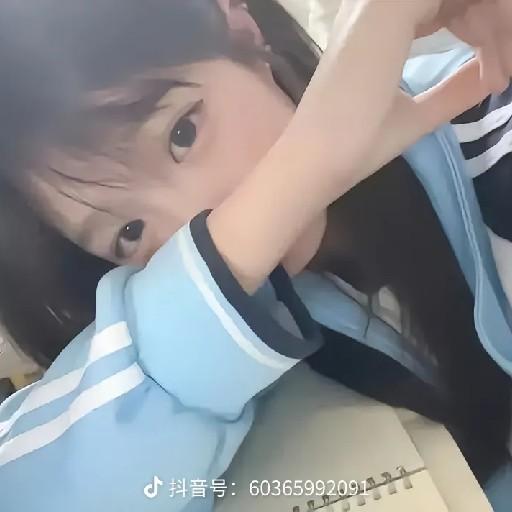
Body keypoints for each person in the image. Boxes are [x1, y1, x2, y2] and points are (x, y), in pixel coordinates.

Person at [0, 0, 512, 510]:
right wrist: (308, 165)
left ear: (240, 27)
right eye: (129, 232)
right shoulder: (207, 352)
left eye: (182, 133)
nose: (199, 221)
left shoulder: (483, 123)